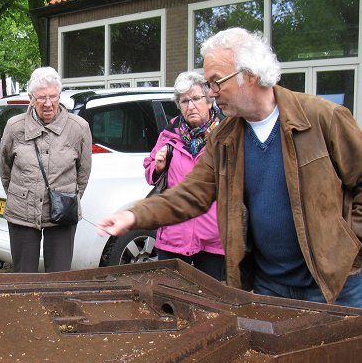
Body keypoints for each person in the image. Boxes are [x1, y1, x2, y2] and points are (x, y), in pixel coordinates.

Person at [98, 27, 362, 307]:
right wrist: (134, 215)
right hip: (267, 286)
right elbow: (190, 194)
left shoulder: (323, 119)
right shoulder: (225, 139)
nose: (211, 93)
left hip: (335, 283)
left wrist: (352, 250)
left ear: (249, 75)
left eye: (216, 82)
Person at [0, 66, 92, 273]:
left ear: (60, 96)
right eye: (42, 98)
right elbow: (5, 169)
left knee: (58, 279)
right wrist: (23, 196)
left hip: (62, 214)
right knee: (24, 278)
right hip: (21, 214)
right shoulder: (14, 127)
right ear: (31, 99)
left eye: (53, 96)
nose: (48, 104)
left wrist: (65, 199)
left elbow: (83, 173)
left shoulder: (79, 128)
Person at [145, 71, 224, 280]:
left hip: (212, 236)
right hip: (174, 233)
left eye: (196, 99)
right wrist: (159, 166)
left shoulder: (226, 136)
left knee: (209, 303)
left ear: (209, 102)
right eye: (184, 101)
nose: (191, 106)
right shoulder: (169, 135)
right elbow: (149, 171)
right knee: (169, 297)